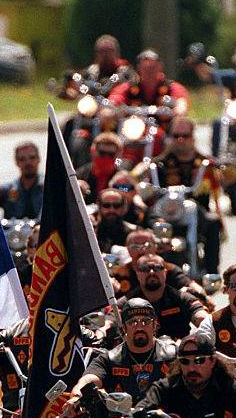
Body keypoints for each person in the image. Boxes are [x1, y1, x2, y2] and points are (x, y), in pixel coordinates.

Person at [152, 116, 223, 272]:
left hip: (198, 212)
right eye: (176, 136)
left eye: (185, 136)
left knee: (213, 223)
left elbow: (228, 180)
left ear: (193, 136)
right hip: (167, 212)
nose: (181, 140)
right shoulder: (158, 164)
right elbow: (138, 179)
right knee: (146, 224)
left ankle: (211, 272)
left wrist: (223, 169)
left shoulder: (205, 163)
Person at [117, 253, 207, 340]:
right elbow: (111, 320)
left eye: (157, 268)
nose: (151, 272)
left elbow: (202, 318)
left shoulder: (182, 298)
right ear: (137, 274)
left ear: (165, 272)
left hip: (178, 352)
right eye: (145, 269)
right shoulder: (125, 303)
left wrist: (205, 323)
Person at [108, 50, 189, 115]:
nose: (149, 71)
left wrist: (180, 107)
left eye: (152, 67)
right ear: (138, 67)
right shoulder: (129, 87)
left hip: (166, 130)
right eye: (145, 68)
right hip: (136, 128)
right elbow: (115, 99)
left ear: (160, 66)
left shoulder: (171, 87)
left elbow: (181, 100)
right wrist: (109, 110)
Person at [0, 141, 43, 220]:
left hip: (44, 231)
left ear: (39, 159)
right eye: (22, 159)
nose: (28, 162)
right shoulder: (6, 190)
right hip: (13, 231)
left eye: (32, 157)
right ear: (16, 162)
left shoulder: (50, 188)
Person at [75, 132, 128, 199]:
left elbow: (128, 198)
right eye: (102, 153)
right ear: (93, 151)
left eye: (111, 154)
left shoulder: (122, 179)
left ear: (118, 154)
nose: (106, 157)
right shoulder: (80, 174)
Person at [93, 188, 136, 252]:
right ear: (99, 207)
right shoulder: (91, 232)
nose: (111, 210)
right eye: (106, 205)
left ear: (124, 207)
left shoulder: (133, 232)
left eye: (117, 205)